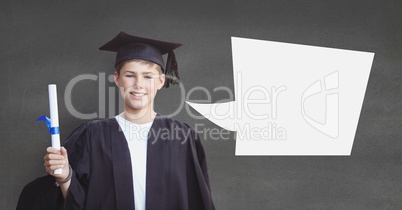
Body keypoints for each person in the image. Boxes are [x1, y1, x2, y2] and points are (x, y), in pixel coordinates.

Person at [42, 31, 215, 210]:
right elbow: (78, 202)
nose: (138, 84)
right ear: (117, 78)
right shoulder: (93, 136)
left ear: (161, 81)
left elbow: (197, 200)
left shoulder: (182, 138)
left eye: (148, 76)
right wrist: (64, 176)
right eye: (130, 75)